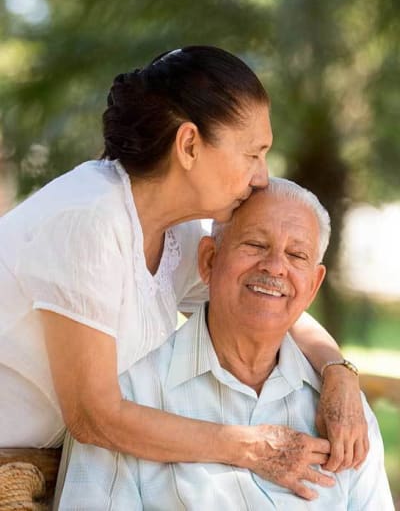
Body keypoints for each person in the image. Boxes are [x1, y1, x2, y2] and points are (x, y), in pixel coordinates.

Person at [0, 46, 366, 488]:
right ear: (189, 144)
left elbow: (266, 299)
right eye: (253, 153)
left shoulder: (175, 233)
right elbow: (95, 416)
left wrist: (339, 375)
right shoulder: (89, 219)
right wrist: (251, 447)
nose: (262, 177)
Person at [59, 179, 394, 510]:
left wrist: (341, 373)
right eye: (255, 245)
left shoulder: (345, 413)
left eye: (296, 254)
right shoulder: (130, 395)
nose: (275, 267)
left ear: (313, 285)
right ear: (209, 260)